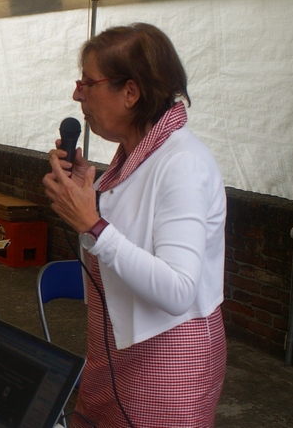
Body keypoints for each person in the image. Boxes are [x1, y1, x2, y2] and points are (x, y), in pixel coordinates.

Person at [42, 23, 226, 427]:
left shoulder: (182, 164)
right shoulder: (134, 154)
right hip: (116, 348)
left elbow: (178, 290)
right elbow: (120, 240)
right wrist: (84, 197)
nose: (77, 95)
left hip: (166, 358)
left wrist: (92, 224)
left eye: (87, 83)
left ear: (131, 92)